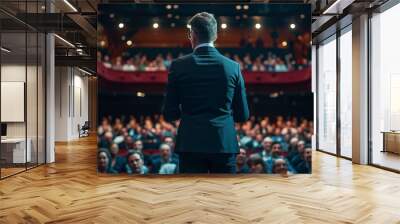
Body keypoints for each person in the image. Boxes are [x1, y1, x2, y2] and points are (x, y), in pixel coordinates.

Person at [162, 12, 249, 173]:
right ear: (215, 35)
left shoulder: (178, 66)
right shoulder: (233, 67)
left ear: (192, 35)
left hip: (190, 143)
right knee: (224, 196)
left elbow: (170, 113)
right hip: (224, 143)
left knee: (192, 197)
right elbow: (242, 115)